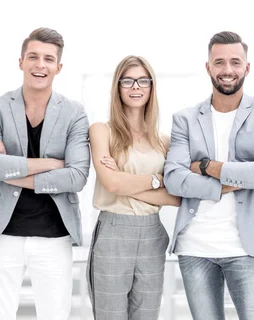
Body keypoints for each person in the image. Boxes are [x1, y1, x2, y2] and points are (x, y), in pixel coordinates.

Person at [163, 31, 254, 320]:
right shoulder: (185, 119)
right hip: (195, 246)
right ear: (208, 67)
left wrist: (205, 167)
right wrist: (225, 185)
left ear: (247, 67)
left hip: (248, 247)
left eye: (234, 62)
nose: (227, 70)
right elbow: (173, 178)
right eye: (219, 62)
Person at [0, 27, 90, 320]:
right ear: (21, 62)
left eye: (48, 59)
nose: (41, 65)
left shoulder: (74, 112)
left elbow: (76, 176)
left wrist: (10, 170)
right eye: (34, 57)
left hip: (54, 236)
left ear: (58, 67)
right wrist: (52, 163)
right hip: (2, 234)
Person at [87, 55, 180, 319]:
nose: (135, 87)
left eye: (142, 80)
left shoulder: (165, 141)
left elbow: (176, 197)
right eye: (127, 81)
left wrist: (124, 184)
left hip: (152, 233)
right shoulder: (101, 131)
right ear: (117, 87)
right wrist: (156, 180)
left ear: (152, 87)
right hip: (114, 232)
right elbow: (112, 182)